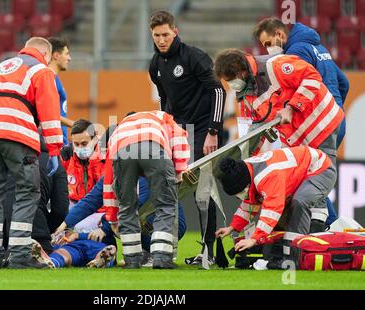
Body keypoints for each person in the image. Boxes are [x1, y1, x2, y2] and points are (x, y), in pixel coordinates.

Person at [215, 49, 344, 231]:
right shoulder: (247, 93)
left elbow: (312, 78)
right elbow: (257, 129)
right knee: (302, 189)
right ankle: (310, 233)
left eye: (230, 80)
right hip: (298, 137)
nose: (231, 85)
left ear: (241, 71)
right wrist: (249, 165)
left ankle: (317, 232)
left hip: (322, 123)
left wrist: (293, 107)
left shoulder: (275, 65)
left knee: (314, 184)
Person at [0, 37, 63, 269]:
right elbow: (50, 112)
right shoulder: (41, 70)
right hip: (15, 130)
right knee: (28, 190)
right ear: (47, 54)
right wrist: (54, 149)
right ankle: (19, 256)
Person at [253, 17, 349, 224]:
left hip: (315, 123)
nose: (268, 49)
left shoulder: (294, 53)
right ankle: (330, 224)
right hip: (334, 119)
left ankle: (329, 226)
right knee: (317, 172)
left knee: (311, 175)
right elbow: (344, 82)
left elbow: (297, 87)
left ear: (279, 35)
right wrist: (336, 108)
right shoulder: (319, 47)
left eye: (268, 43)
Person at [148, 10, 226, 264]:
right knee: (173, 186)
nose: (161, 40)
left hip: (204, 129)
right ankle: (165, 247)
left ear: (175, 32)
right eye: (157, 35)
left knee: (202, 190)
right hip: (178, 132)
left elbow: (218, 91)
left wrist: (213, 130)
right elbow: (163, 100)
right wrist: (164, 128)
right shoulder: (155, 65)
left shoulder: (194, 57)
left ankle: (210, 252)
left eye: (165, 35)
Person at [215, 146, 336, 268]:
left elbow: (271, 211)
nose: (238, 197)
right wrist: (232, 227)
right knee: (286, 212)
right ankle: (284, 254)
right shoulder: (246, 170)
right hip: (304, 170)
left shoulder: (267, 176)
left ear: (244, 186)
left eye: (238, 194)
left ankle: (295, 258)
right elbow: (250, 203)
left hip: (321, 169)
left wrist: (254, 239)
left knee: (299, 202)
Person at [103, 111, 190, 269]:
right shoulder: (164, 117)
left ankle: (132, 260)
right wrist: (179, 170)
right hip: (154, 146)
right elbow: (179, 136)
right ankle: (162, 258)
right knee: (166, 204)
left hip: (121, 151)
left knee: (127, 207)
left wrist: (111, 215)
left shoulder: (118, 130)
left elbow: (109, 178)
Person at [0, 139, 69, 255]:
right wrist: (45, 226)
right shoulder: (54, 164)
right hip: (37, 236)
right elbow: (61, 210)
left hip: (0, 240)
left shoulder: (1, 159)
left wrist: (0, 216)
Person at [59, 175, 187, 266]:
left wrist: (105, 226)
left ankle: (157, 254)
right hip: (150, 221)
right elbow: (90, 201)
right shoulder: (111, 175)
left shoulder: (144, 175)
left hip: (172, 225)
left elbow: (138, 207)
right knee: (113, 223)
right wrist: (64, 224)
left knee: (117, 223)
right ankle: (138, 253)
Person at [61, 119, 104, 206]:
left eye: (84, 144)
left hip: (100, 209)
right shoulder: (66, 155)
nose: (80, 148)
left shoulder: (106, 158)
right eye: (76, 144)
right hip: (73, 205)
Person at [32, 232, 117, 269]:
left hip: (100, 243)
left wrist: (78, 235)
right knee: (63, 253)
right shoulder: (70, 207)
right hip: (74, 244)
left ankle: (102, 260)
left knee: (109, 250)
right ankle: (50, 262)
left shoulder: (108, 209)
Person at [48, 37, 75, 144]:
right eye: (66, 54)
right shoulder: (48, 78)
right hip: (51, 142)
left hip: (60, 141)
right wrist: (75, 125)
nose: (69, 58)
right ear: (56, 55)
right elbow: (47, 114)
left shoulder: (55, 78)